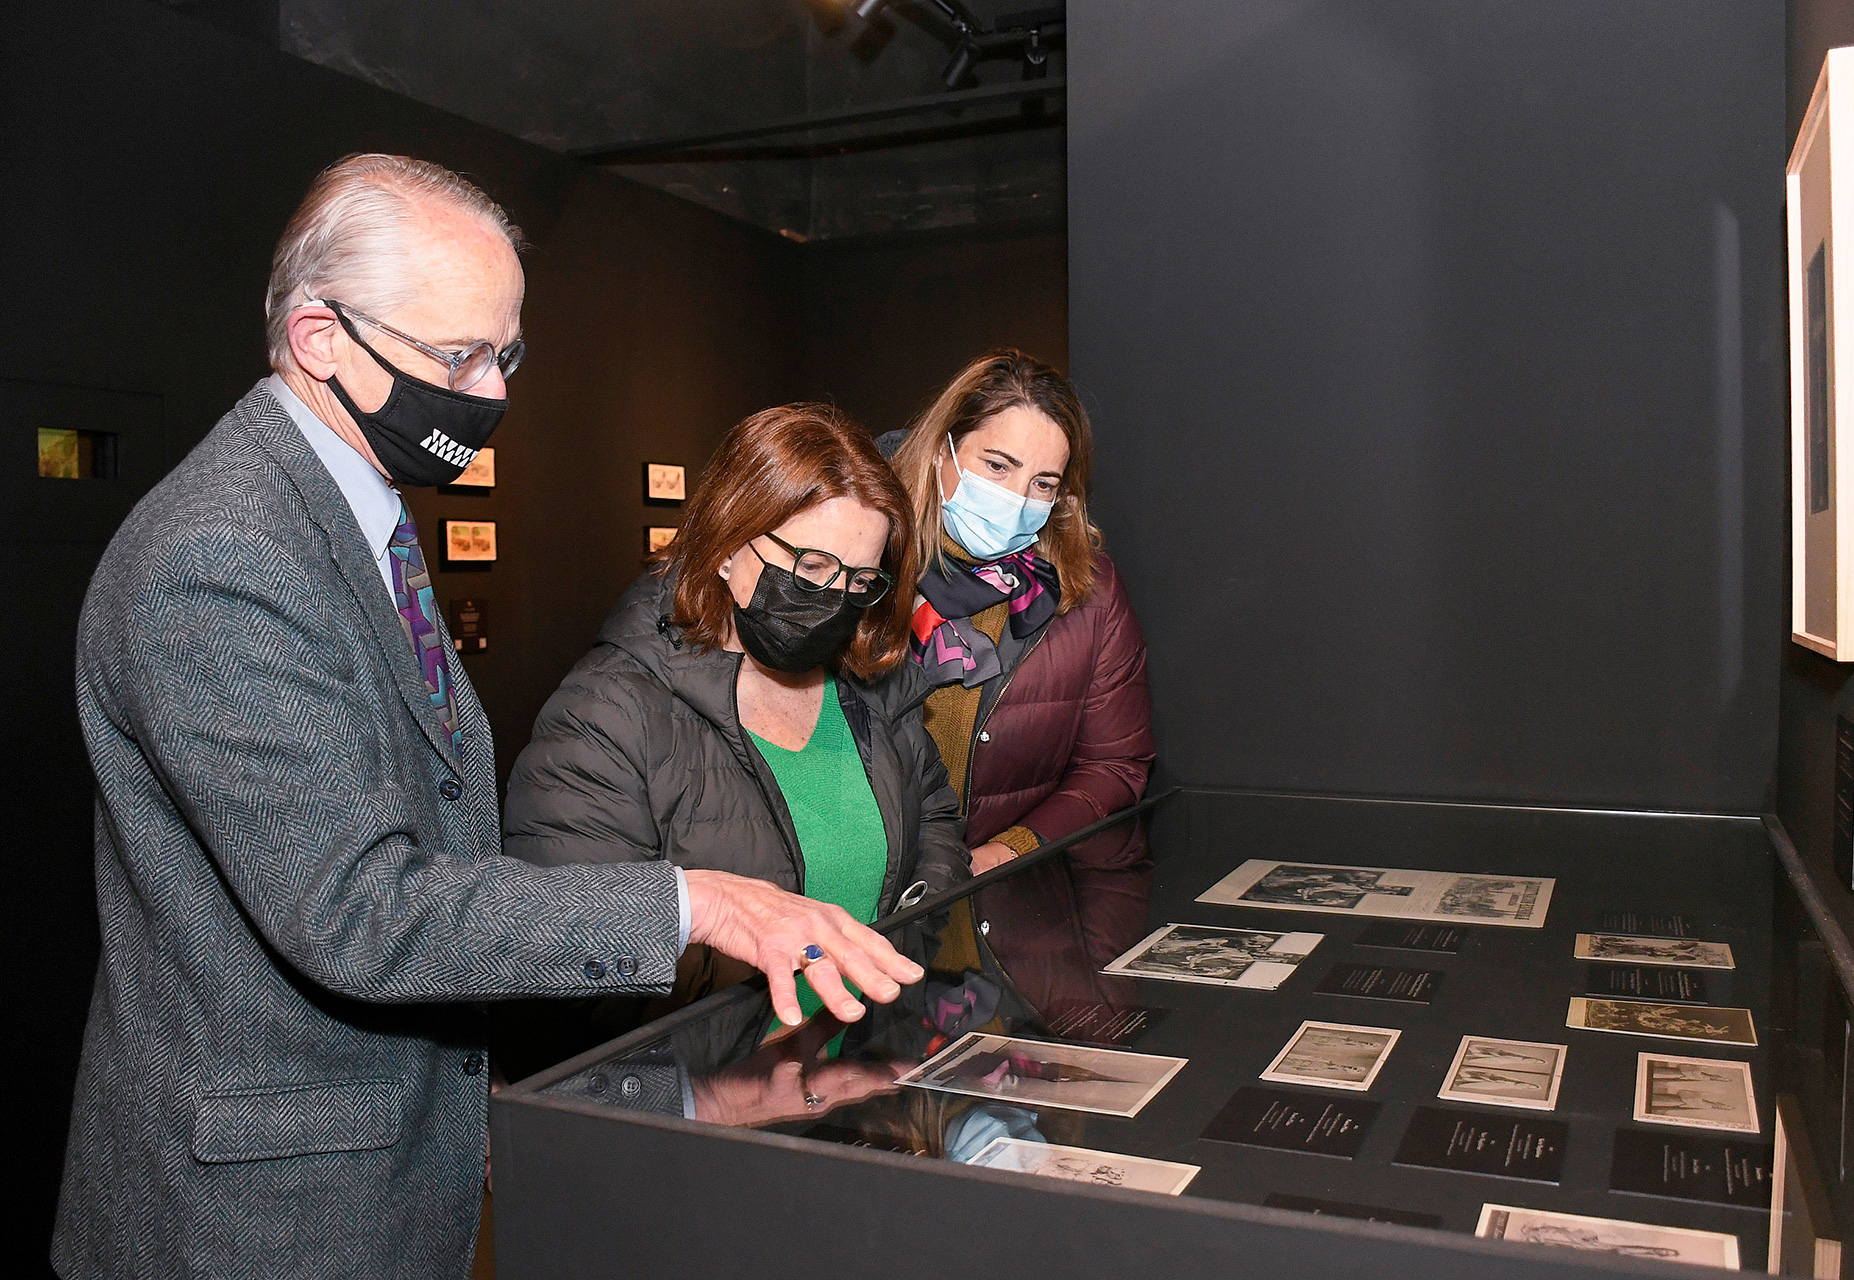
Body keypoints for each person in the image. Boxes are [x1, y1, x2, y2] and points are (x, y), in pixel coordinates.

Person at [51, 154, 920, 1280]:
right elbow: (359, 909)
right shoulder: (223, 555)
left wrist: (482, 1091)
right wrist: (695, 899)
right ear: (321, 339)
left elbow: (436, 831)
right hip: (264, 1218)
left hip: (394, 1166)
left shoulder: (354, 509)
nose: (493, 391)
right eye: (456, 354)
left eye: (505, 353)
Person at [502, 404, 969, 1045]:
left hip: (858, 1075)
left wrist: (890, 976)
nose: (833, 598)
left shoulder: (876, 693)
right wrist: (766, 1028)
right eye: (809, 568)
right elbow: (571, 952)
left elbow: (936, 827)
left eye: (860, 581)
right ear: (727, 545)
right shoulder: (606, 714)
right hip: (705, 1107)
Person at [882, 351, 1154, 979]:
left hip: (1001, 929)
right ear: (939, 452)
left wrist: (1012, 850)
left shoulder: (1088, 588)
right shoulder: (864, 564)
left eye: (1042, 484)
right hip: (858, 914)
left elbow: (1115, 763)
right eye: (996, 466)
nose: (1015, 499)